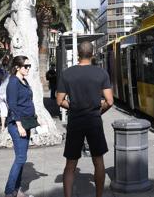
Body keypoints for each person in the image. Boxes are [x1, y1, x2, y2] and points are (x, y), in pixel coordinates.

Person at [57, 41, 113, 197]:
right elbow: (109, 101)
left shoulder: (67, 73)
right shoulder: (101, 73)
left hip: (75, 121)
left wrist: (74, 107)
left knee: (70, 164)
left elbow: (59, 100)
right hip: (94, 120)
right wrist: (97, 111)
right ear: (93, 53)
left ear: (77, 54)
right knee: (98, 161)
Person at [5, 55, 36, 197]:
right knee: (21, 158)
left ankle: (16, 191)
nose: (28, 68)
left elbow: (27, 102)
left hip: (26, 122)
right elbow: (12, 105)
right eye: (26, 66)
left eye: (29, 66)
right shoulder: (13, 82)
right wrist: (19, 125)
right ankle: (9, 192)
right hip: (17, 124)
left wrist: (36, 118)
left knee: (21, 158)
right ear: (17, 67)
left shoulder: (23, 81)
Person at [0, 57, 11, 131]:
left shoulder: (3, 70)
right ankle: (9, 124)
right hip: (6, 92)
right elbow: (1, 78)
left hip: (0, 91)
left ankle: (3, 126)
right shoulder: (9, 73)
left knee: (2, 109)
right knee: (10, 108)